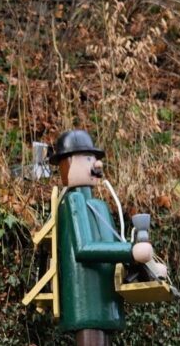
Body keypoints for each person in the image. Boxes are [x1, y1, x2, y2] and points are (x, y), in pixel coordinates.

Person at [49, 130, 154, 346]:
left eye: (95, 158)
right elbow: (84, 248)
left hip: (107, 299)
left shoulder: (100, 206)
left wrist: (145, 266)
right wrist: (131, 251)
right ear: (67, 164)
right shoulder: (73, 201)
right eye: (88, 159)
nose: (97, 164)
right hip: (87, 299)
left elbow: (113, 246)